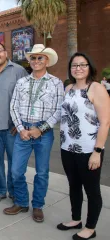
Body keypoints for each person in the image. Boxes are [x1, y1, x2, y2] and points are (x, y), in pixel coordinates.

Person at [5, 44, 64, 223]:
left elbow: (59, 110)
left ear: (47, 61)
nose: (36, 61)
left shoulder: (56, 83)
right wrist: (21, 129)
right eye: (33, 58)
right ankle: (22, 202)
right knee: (16, 171)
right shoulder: (22, 82)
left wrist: (41, 129)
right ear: (29, 61)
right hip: (23, 130)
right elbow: (13, 106)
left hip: (43, 133)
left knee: (42, 172)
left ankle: (37, 205)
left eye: (40, 58)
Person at [57, 53, 110, 240]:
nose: (78, 68)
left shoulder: (96, 88)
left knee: (92, 189)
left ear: (89, 67)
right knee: (73, 186)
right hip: (67, 148)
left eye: (82, 65)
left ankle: (90, 227)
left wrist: (98, 151)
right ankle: (76, 219)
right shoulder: (68, 87)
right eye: (74, 65)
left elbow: (105, 122)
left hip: (88, 150)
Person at [0, 42, 28, 204]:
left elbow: (26, 99)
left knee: (14, 162)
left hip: (12, 128)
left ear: (6, 52)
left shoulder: (18, 71)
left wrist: (20, 124)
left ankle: (14, 191)